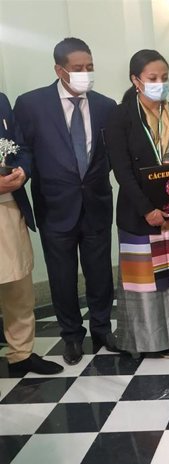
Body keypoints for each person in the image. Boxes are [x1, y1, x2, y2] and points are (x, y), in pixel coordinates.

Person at [13, 38, 117, 365]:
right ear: (60, 70)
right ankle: (71, 336)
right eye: (77, 69)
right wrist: (22, 175)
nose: (85, 74)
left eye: (90, 68)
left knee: (100, 272)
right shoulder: (31, 104)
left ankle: (101, 328)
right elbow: (22, 149)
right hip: (55, 205)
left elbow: (110, 153)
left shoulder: (106, 106)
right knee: (62, 276)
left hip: (96, 202)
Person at [105, 49, 169, 358]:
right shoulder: (120, 117)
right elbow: (122, 171)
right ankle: (154, 340)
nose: (160, 83)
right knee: (151, 279)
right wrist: (146, 209)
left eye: (164, 78)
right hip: (143, 214)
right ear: (136, 81)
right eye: (152, 79)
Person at [1, 92, 62, 376]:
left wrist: (23, 171)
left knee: (18, 282)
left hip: (9, 204)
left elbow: (21, 144)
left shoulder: (1, 100)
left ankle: (21, 353)